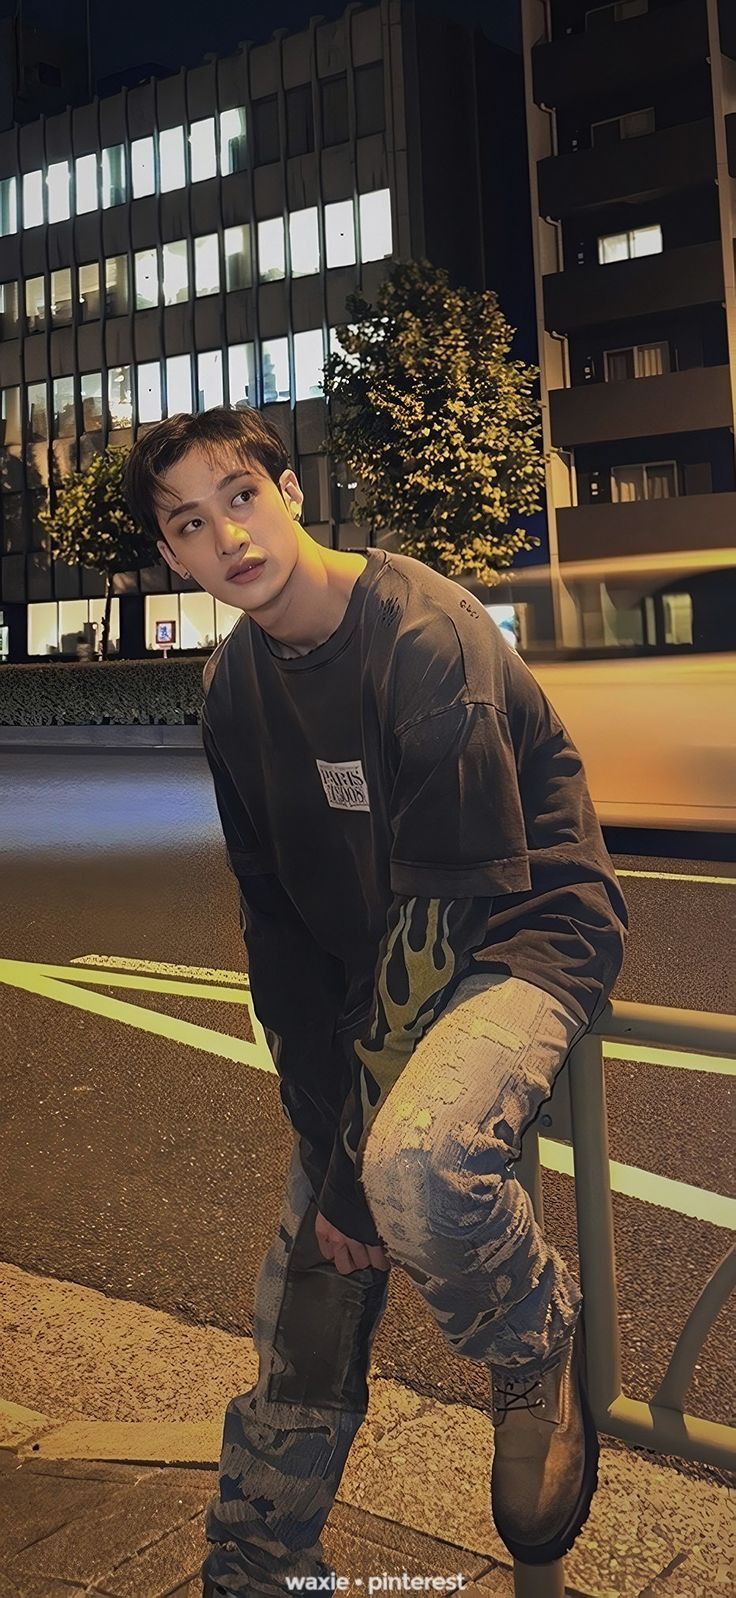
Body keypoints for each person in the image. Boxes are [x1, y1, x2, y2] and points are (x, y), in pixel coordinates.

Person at [123, 407, 628, 1596]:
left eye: (240, 495)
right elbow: (279, 934)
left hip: (516, 932)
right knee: (308, 1291)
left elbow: (446, 918)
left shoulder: (425, 633)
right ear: (174, 556)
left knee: (407, 1170)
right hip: (376, 982)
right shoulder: (233, 689)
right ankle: (252, 1564)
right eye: (191, 524)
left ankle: (532, 1337)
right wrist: (319, 1129)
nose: (229, 535)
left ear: (289, 491)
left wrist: (353, 1164)